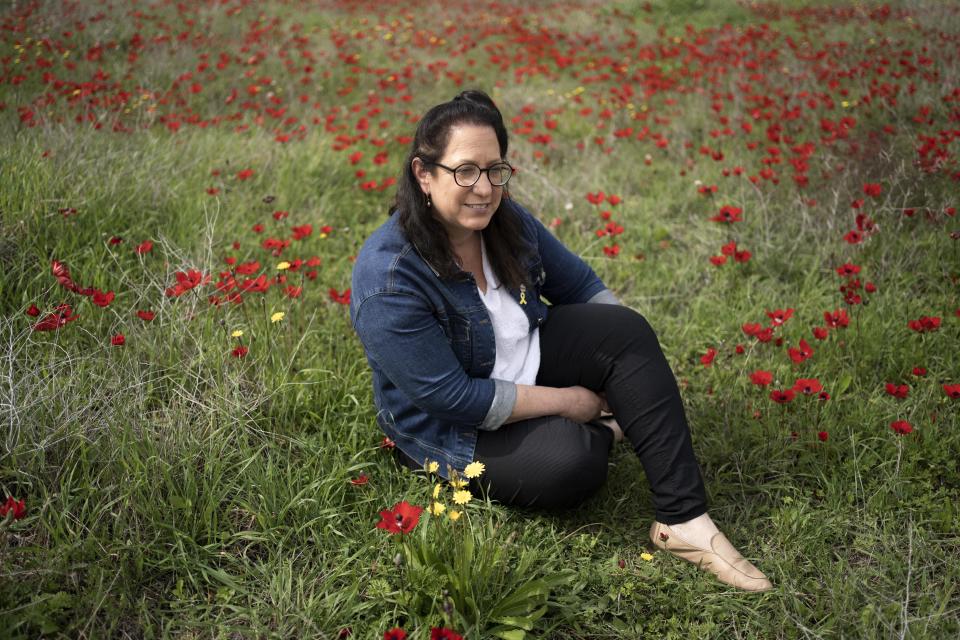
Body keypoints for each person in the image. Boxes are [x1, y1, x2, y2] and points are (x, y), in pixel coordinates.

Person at [350, 90, 773, 592]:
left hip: (527, 360)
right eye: (465, 171)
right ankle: (614, 425)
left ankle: (682, 521)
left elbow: (581, 287)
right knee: (571, 462)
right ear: (425, 173)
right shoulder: (388, 275)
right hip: (454, 424)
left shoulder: (506, 222)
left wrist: (630, 360)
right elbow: (451, 397)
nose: (483, 189)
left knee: (627, 330)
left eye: (495, 170)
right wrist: (575, 401)